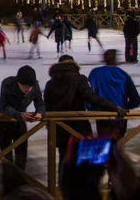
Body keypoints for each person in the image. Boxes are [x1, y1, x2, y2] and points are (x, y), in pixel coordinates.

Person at [44, 55, 125, 184]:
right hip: (78, 128)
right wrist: (113, 106)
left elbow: (46, 106)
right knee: (84, 158)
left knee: (64, 157)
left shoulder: (50, 83)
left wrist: (49, 126)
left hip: (59, 128)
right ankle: (85, 188)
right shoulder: (79, 79)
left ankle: (64, 188)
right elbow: (92, 98)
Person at [0, 66, 45, 195]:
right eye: (24, 86)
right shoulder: (7, 84)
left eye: (30, 87)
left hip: (20, 125)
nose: (28, 89)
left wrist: (40, 113)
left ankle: (20, 192)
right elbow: (2, 106)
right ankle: (8, 193)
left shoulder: (34, 86)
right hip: (4, 125)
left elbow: (40, 102)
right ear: (18, 82)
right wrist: (19, 115)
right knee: (6, 160)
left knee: (21, 159)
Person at [88, 49, 140, 138]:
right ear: (116, 59)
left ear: (104, 59)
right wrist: (126, 107)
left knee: (104, 144)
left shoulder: (96, 73)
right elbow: (135, 98)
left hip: (103, 114)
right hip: (120, 115)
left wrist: (93, 108)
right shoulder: (123, 74)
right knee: (118, 144)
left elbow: (90, 93)